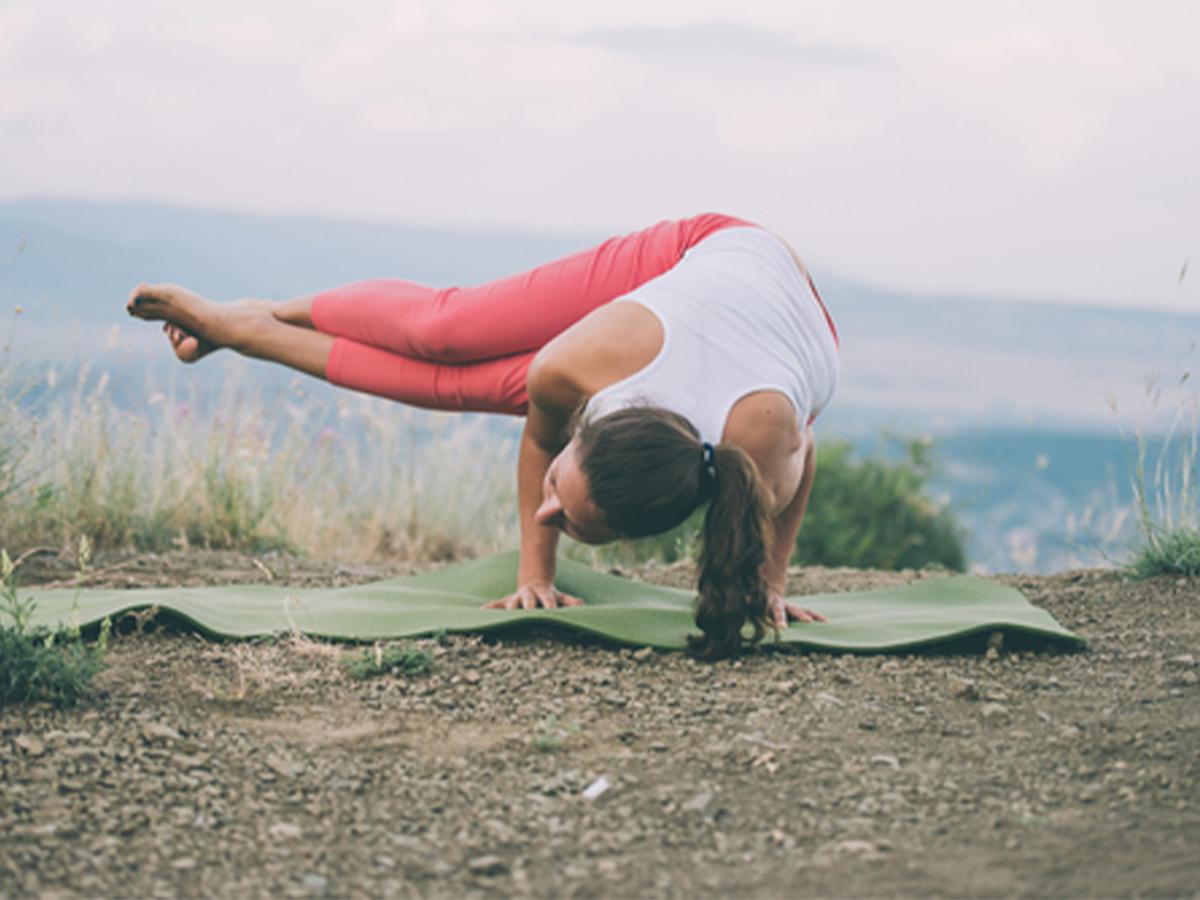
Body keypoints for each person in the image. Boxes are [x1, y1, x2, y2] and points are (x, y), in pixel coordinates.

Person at [125, 212, 840, 657]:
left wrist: (767, 585)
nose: (544, 511)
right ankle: (271, 311)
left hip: (759, 325)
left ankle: (249, 335)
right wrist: (538, 572)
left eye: (565, 523)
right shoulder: (581, 364)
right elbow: (538, 443)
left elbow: (796, 469)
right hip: (709, 254)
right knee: (446, 333)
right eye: (559, 494)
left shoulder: (758, 450)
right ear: (583, 432)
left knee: (461, 391)